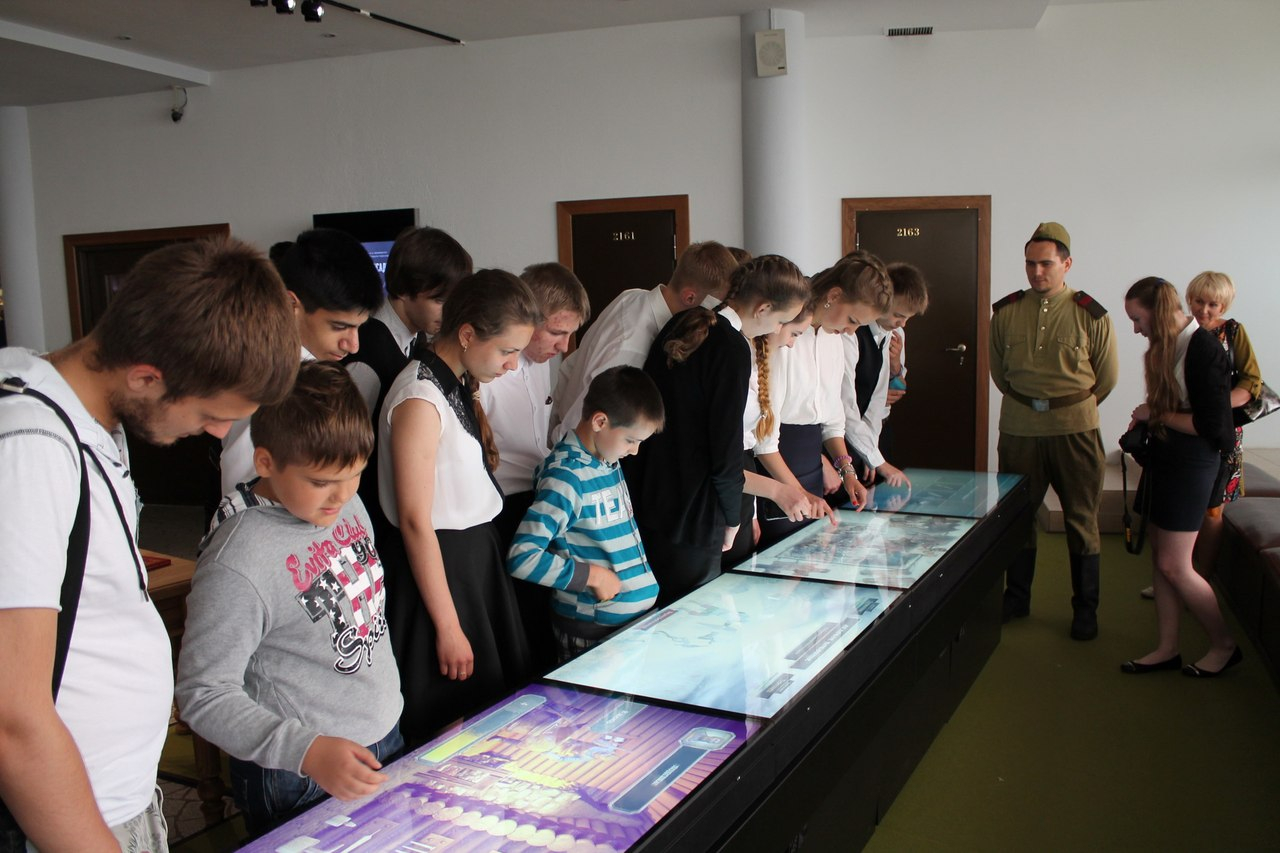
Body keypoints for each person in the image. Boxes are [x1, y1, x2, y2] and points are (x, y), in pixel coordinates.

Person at [0, 238, 298, 852]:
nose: (218, 432)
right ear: (145, 376)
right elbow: (13, 716)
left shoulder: (87, 419)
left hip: (112, 793)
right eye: (212, 413)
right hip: (65, 818)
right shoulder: (31, 447)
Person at [176, 363, 402, 836]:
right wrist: (306, 751)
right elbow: (202, 693)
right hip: (297, 773)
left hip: (381, 735)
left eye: (355, 474)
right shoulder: (238, 560)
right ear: (265, 462)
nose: (341, 496)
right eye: (320, 482)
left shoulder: (345, 502)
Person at [377, 270, 539, 747]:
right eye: (507, 350)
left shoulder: (451, 381)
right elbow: (414, 520)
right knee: (452, 723)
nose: (513, 365)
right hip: (441, 572)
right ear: (467, 334)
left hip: (472, 562)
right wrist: (448, 626)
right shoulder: (419, 396)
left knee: (491, 716)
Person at [627, 254, 810, 605]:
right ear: (763, 308)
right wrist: (731, 519)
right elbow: (724, 452)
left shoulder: (685, 321)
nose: (777, 330)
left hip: (652, 495)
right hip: (694, 512)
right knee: (691, 611)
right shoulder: (731, 347)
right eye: (781, 320)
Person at [989, 222, 1118, 641]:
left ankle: (1086, 610)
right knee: (1018, 517)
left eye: (1046, 263)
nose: (1037, 271)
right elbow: (1000, 374)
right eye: (1030, 263)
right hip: (1020, 428)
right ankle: (1016, 599)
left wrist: (1069, 408)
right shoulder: (1006, 312)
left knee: (1081, 518)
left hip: (1074, 430)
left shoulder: (1091, 314)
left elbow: (1106, 379)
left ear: (1067, 264)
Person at [1119, 277, 1240, 677]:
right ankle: (1167, 648)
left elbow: (1213, 428)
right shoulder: (1166, 347)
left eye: (1138, 319)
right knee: (1161, 556)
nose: (1135, 329)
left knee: (1176, 565)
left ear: (1157, 311)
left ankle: (1224, 645)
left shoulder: (1204, 348)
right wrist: (1150, 417)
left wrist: (1156, 414)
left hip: (1194, 464)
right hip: (1167, 458)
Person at [507, 366, 664, 661]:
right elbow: (522, 557)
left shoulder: (606, 461)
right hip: (592, 635)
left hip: (626, 629)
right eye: (631, 440)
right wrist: (592, 576)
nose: (635, 451)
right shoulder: (567, 477)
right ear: (600, 422)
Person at [481, 263, 590, 672]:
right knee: (520, 628)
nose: (564, 346)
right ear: (528, 318)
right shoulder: (488, 373)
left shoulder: (542, 363)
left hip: (540, 500)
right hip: (501, 509)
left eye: (570, 334)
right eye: (557, 332)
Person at [221, 228, 384, 495]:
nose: (353, 345)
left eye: (358, 327)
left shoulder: (311, 369)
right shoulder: (271, 382)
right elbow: (241, 491)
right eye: (339, 327)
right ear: (291, 304)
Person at [1139, 270, 1263, 599]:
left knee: (1212, 508)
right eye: (1198, 301)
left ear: (1224, 306)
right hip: (1179, 433)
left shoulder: (1232, 332)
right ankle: (1178, 573)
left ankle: (1200, 577)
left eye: (1213, 304)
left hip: (1217, 431)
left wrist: (1213, 404)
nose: (1204, 309)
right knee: (1175, 516)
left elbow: (1252, 382)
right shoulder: (1176, 333)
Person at [755, 251, 892, 549]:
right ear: (834, 295)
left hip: (811, 467)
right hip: (776, 466)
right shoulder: (785, 332)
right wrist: (796, 492)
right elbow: (764, 440)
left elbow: (833, 421)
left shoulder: (838, 339)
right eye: (852, 319)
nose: (852, 331)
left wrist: (848, 473)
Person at [548, 241, 737, 444]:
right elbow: (587, 414)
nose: (718, 316)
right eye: (718, 306)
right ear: (690, 297)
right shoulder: (633, 345)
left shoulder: (632, 296)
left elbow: (571, 367)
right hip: (576, 447)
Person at [842, 261, 929, 488]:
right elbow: (845, 404)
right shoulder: (851, 333)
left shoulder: (893, 332)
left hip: (872, 430)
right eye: (898, 315)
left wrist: (871, 451)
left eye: (908, 318)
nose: (903, 324)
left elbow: (883, 396)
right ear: (882, 299)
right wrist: (871, 454)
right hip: (841, 436)